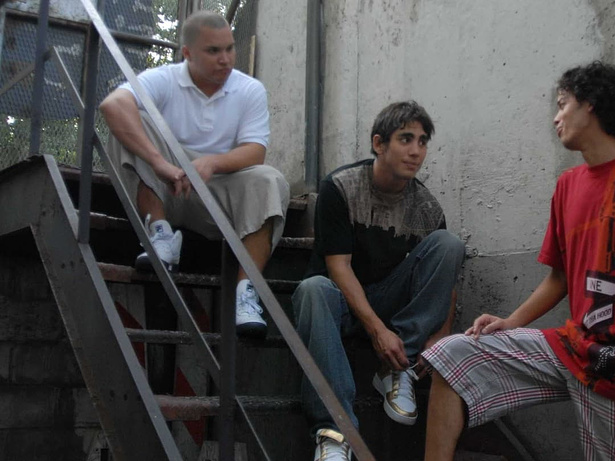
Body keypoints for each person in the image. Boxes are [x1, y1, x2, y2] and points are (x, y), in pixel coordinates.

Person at [423, 61, 615, 461]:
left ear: (591, 104)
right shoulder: (567, 185)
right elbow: (560, 278)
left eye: (563, 103)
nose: (555, 117)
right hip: (571, 348)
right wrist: (511, 322)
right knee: (453, 354)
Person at [99, 11, 290, 338]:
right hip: (165, 185)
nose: (225, 59)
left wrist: (213, 163)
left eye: (229, 48)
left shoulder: (249, 89)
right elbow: (112, 105)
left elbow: (255, 151)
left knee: (270, 180)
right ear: (187, 53)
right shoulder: (165, 78)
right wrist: (159, 163)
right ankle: (160, 236)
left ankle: (246, 293)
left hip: (216, 194)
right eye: (213, 51)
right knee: (131, 120)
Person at [293, 101, 465, 461]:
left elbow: (443, 281)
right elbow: (339, 267)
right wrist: (377, 331)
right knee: (312, 289)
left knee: (449, 245)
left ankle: (397, 368)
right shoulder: (340, 188)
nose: (416, 151)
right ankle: (334, 432)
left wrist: (441, 335)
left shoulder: (427, 208)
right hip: (338, 304)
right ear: (378, 143)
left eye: (422, 141)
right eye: (405, 139)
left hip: (389, 305)